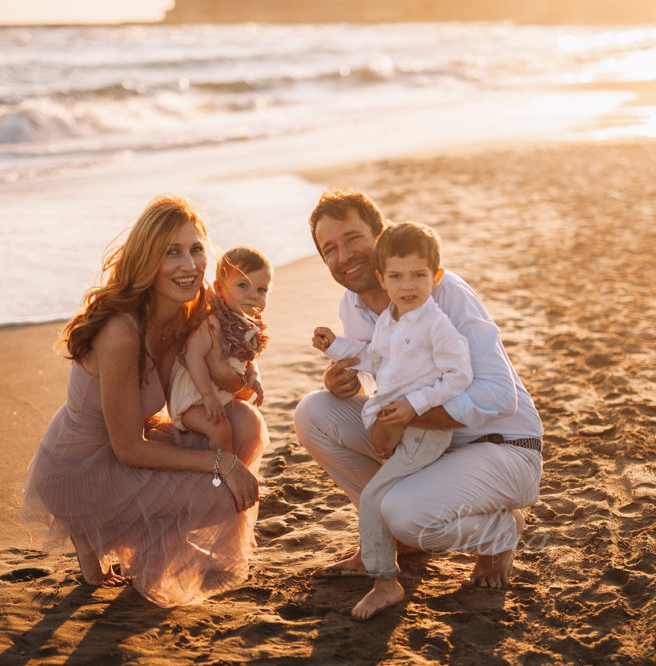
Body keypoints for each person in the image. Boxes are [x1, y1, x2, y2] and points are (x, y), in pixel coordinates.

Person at [294, 190, 543, 619]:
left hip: (502, 447)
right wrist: (343, 385)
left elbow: (499, 395)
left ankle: (500, 531)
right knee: (314, 413)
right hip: (432, 445)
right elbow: (391, 379)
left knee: (407, 513)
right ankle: (393, 541)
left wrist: (407, 413)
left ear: (382, 235)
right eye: (329, 249)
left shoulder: (443, 293)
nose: (344, 256)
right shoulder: (351, 306)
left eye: (353, 239)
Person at [21, 195, 268, 608]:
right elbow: (128, 448)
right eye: (172, 252)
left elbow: (196, 398)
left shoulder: (188, 312)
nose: (189, 265)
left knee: (245, 423)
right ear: (147, 259)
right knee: (222, 490)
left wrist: (243, 370)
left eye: (195, 249)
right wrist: (221, 463)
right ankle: (101, 533)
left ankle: (140, 543)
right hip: (83, 469)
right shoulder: (121, 332)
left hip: (132, 447)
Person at [312, 221, 473, 620]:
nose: (408, 285)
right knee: (382, 496)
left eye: (419, 275)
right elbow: (373, 358)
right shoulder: (391, 321)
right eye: (398, 277)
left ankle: (385, 582)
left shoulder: (437, 324)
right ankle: (379, 563)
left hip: (422, 433)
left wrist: (415, 405)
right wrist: (335, 347)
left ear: (435, 277)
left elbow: (460, 376)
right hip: (396, 427)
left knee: (375, 497)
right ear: (383, 280)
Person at [168, 245, 271, 454]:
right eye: (243, 285)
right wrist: (208, 396)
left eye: (262, 289)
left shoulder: (246, 326)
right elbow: (192, 356)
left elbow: (248, 358)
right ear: (219, 288)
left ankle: (228, 468)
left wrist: (255, 377)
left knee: (242, 426)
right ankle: (218, 475)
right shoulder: (213, 323)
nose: (253, 295)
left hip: (221, 394)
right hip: (193, 399)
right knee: (220, 430)